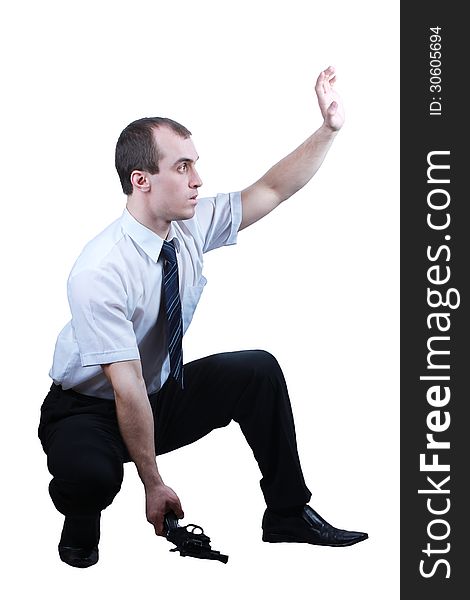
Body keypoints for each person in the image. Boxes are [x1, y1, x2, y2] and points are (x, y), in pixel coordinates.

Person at [38, 66, 368, 568]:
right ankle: (82, 520)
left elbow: (272, 190)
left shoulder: (189, 228)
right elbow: (124, 390)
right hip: (90, 410)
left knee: (256, 369)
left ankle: (287, 513)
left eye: (196, 166)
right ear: (141, 180)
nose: (198, 180)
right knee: (89, 475)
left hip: (158, 395)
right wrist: (154, 485)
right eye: (184, 167)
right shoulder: (99, 271)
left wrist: (328, 130)